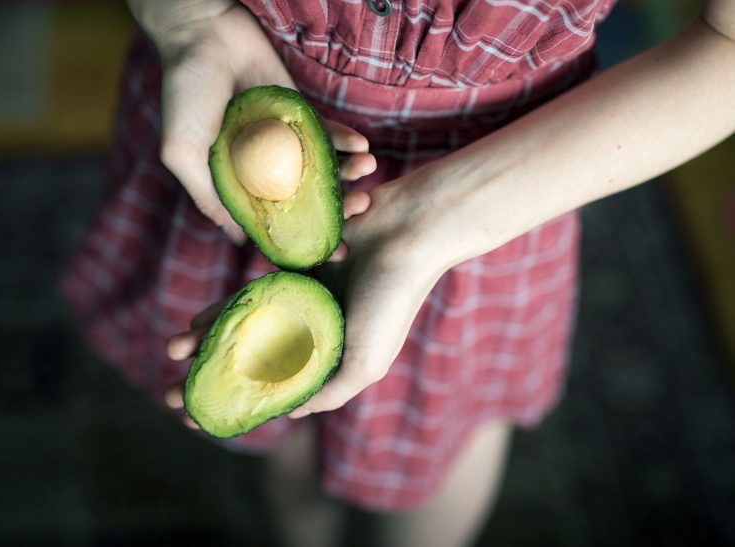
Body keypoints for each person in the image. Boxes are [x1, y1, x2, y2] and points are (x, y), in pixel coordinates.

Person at [61, 1, 735, 545]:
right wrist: (188, 21)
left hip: (507, 181)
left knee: (439, 450)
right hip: (229, 95)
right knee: (286, 454)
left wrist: (433, 222)